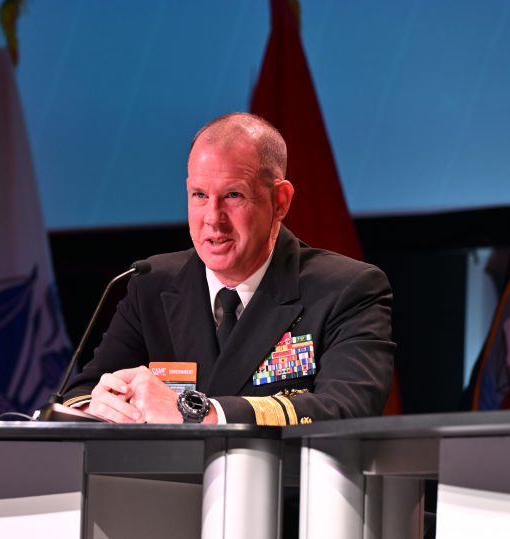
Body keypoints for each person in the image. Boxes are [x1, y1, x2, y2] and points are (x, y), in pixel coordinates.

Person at [61, 113, 393, 425]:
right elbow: (81, 394)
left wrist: (194, 412)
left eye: (233, 195)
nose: (212, 218)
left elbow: (347, 408)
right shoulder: (150, 282)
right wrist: (103, 405)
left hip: (283, 485)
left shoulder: (346, 289)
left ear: (280, 201)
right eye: (200, 195)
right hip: (164, 483)